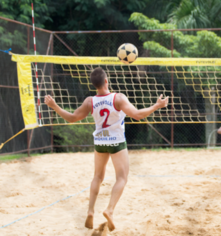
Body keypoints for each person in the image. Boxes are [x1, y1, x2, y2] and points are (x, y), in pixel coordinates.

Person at [44, 67, 169, 231]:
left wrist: (55, 106)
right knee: (122, 178)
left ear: (94, 84)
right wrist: (156, 106)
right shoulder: (118, 98)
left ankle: (90, 211)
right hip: (116, 142)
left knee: (97, 176)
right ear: (106, 81)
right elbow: (137, 114)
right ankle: (109, 210)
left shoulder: (90, 101)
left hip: (100, 141)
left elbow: (73, 118)